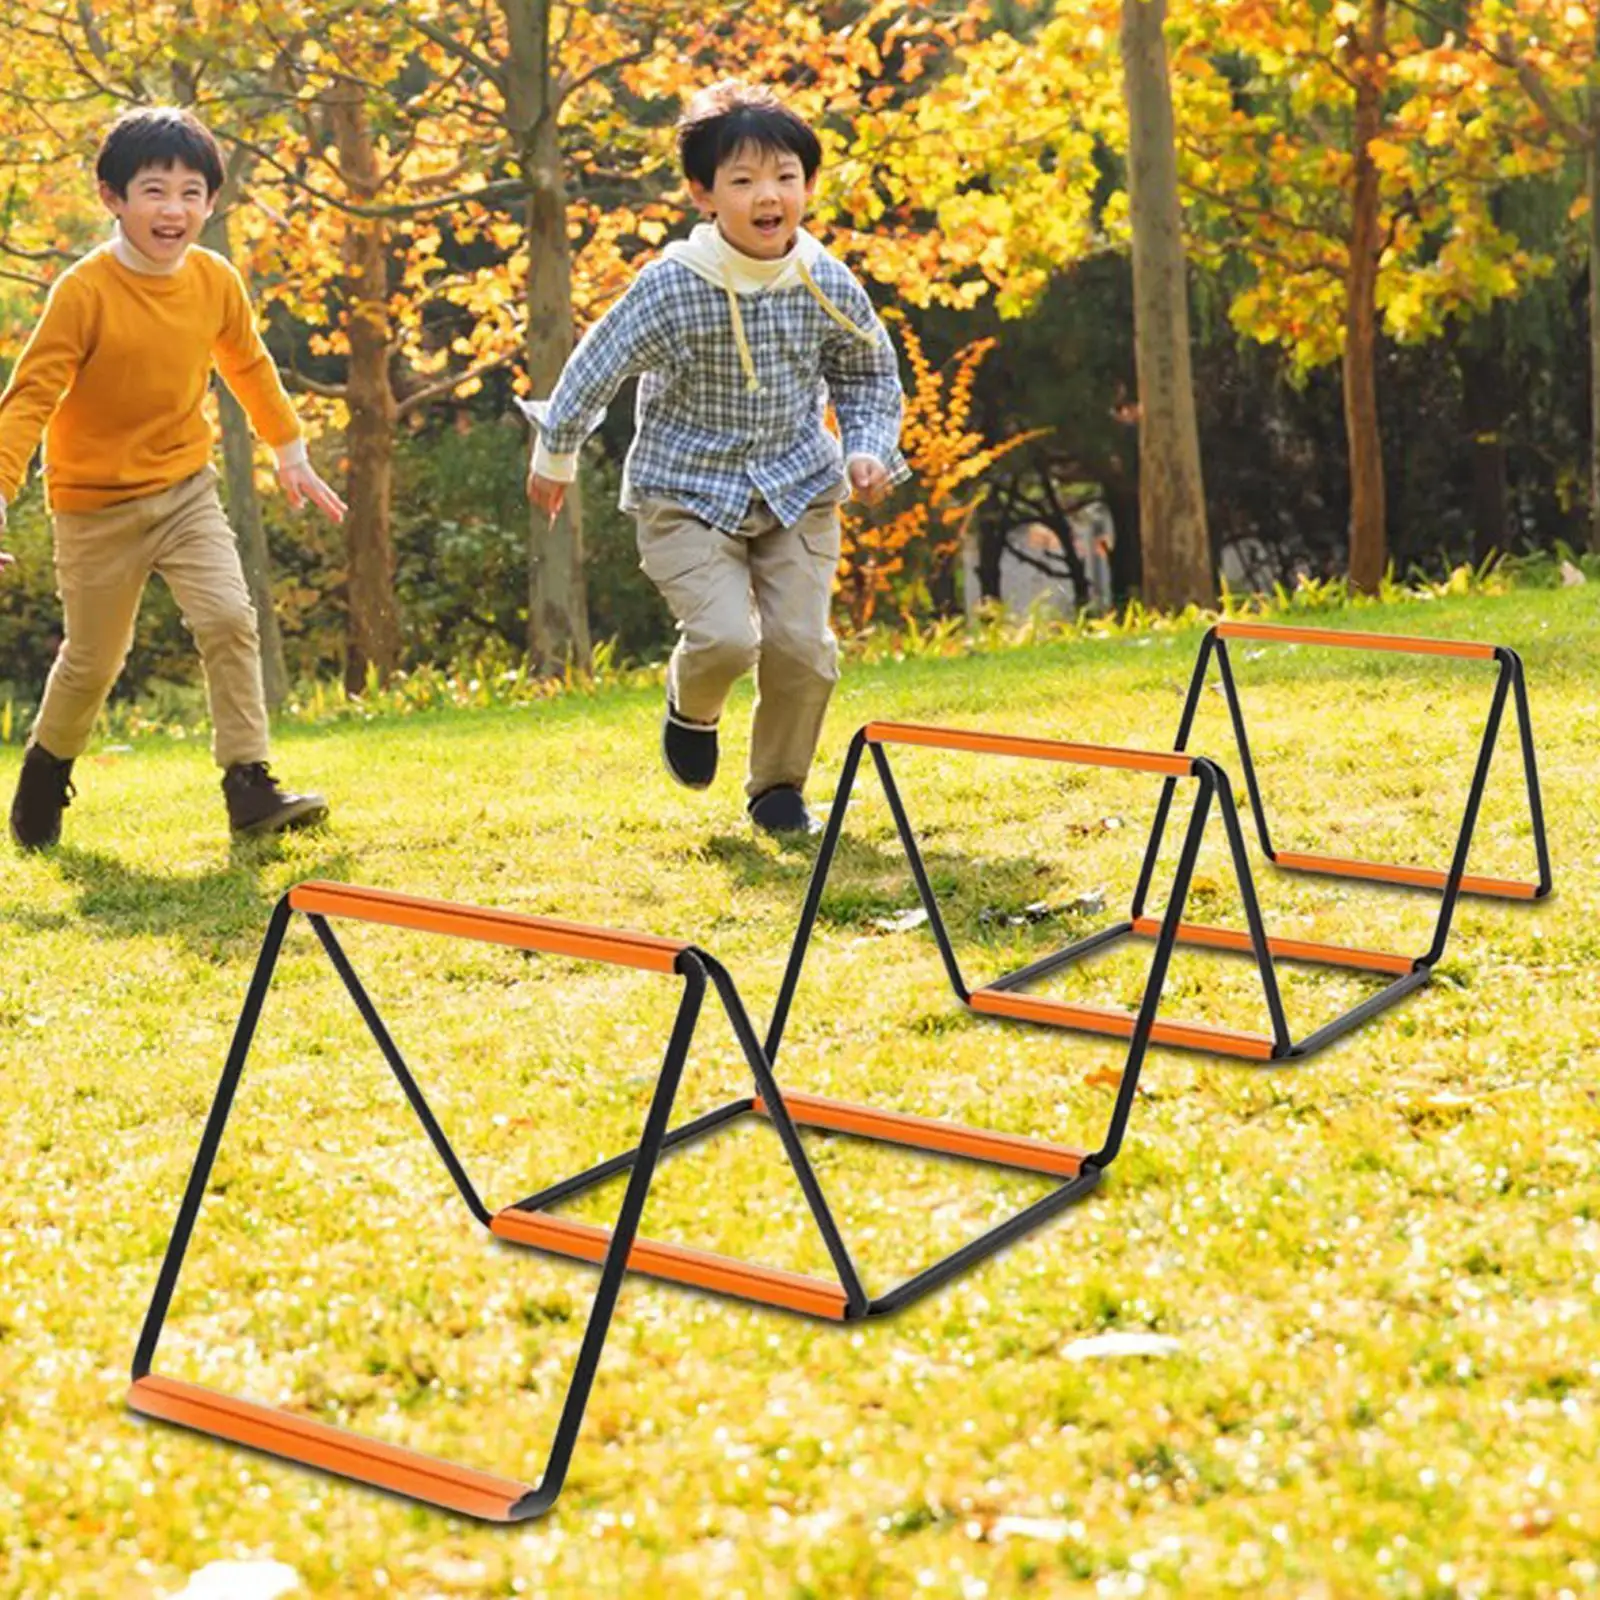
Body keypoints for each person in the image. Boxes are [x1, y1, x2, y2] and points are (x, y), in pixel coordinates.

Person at [523, 79, 908, 834]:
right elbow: (596, 364)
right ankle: (691, 708)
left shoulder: (825, 282)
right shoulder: (673, 285)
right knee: (729, 639)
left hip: (797, 485)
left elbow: (869, 373)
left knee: (804, 649)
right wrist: (556, 453)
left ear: (807, 186)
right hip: (685, 492)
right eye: (743, 180)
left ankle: (777, 790)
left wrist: (867, 450)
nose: (769, 195)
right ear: (703, 194)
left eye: (786, 178)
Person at [0, 106, 346, 852]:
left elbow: (248, 364)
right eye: (154, 190)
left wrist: (288, 450)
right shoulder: (84, 291)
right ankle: (43, 769)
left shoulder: (214, 280)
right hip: (92, 506)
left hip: (185, 490)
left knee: (228, 617)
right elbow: (32, 396)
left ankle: (249, 785)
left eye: (192, 192)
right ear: (112, 197)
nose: (174, 209)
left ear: (212, 203)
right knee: (94, 660)